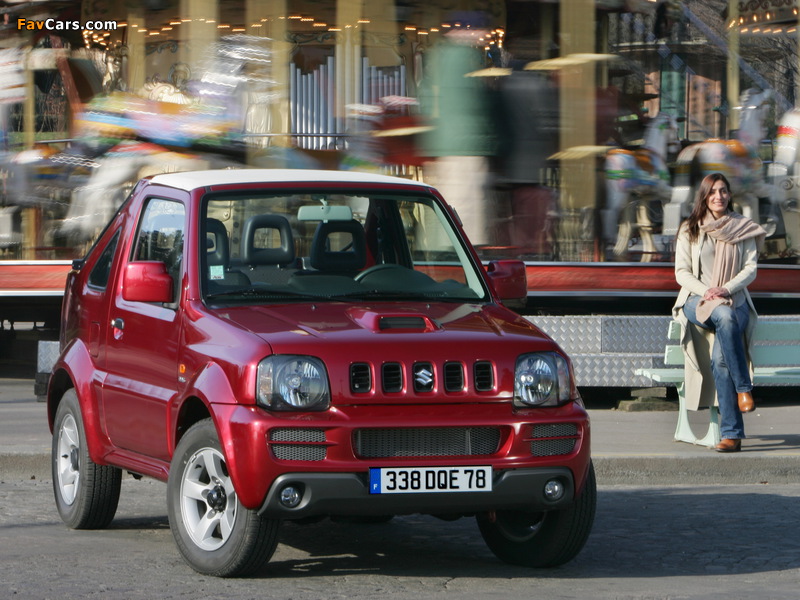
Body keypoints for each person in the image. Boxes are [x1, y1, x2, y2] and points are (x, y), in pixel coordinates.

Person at [672, 173, 766, 453]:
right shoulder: (690, 229)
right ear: (704, 196)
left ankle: (731, 435)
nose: (719, 196)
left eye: (723, 191)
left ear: (730, 195)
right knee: (722, 315)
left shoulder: (743, 228)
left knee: (721, 359)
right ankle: (744, 389)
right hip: (697, 300)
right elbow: (681, 273)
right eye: (712, 192)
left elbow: (750, 269)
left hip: (735, 300)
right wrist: (708, 292)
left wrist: (725, 289)